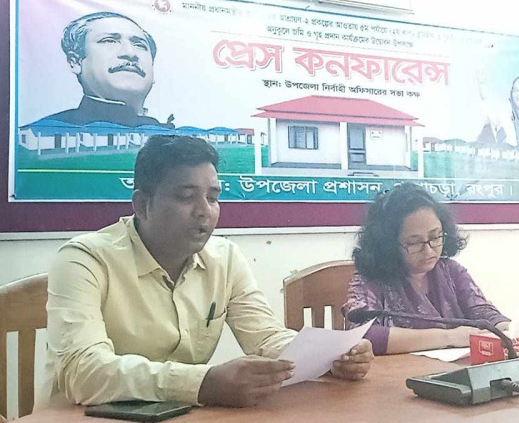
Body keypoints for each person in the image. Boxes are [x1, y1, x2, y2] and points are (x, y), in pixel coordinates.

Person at [38, 135, 372, 409]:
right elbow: (83, 372)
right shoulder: (85, 259)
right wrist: (202, 383)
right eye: (186, 197)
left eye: (213, 198)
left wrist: (331, 356)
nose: (204, 212)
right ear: (141, 204)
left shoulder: (225, 258)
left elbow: (265, 338)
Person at [342, 183, 510, 355]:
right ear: (388, 244)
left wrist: (507, 328)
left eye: (435, 237)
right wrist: (449, 337)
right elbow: (362, 335)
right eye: (414, 242)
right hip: (399, 371)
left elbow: (482, 312)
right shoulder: (370, 279)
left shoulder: (451, 271)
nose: (429, 251)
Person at [28, 12, 173, 128]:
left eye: (140, 45)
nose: (130, 53)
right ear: (75, 61)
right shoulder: (40, 133)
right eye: (109, 40)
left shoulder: (176, 137)